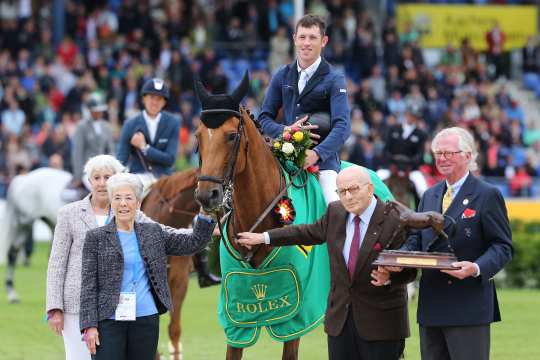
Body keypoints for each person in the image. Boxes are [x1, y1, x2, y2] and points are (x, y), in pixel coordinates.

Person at [237, 166, 416, 360]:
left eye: (353, 189)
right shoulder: (336, 212)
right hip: (340, 324)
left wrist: (390, 277)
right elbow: (305, 232)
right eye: (342, 191)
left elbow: (410, 270)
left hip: (382, 326)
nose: (347, 197)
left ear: (370, 188)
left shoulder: (395, 219)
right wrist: (264, 237)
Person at [45, 155, 194, 360]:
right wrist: (54, 308)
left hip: (114, 308)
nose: (101, 183)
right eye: (96, 177)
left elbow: (164, 233)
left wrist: (200, 231)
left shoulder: (129, 211)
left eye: (107, 177)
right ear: (89, 181)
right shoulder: (68, 214)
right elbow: (57, 264)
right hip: (77, 306)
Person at [394, 127, 513, 360]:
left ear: (468, 156)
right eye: (438, 153)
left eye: (449, 153)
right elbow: (417, 238)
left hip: (468, 305)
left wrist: (476, 268)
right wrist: (399, 258)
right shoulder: (429, 195)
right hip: (432, 305)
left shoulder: (487, 194)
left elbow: (502, 246)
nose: (442, 158)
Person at [79, 173, 215, 359]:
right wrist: (89, 326)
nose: (123, 203)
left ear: (138, 204)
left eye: (129, 198)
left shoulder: (153, 232)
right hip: (107, 322)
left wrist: (206, 212)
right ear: (111, 203)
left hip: (146, 319)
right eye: (117, 198)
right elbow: (88, 286)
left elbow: (193, 242)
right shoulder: (96, 238)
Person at [258, 14, 351, 205]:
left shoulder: (335, 79)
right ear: (294, 39)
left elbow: (343, 126)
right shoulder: (281, 75)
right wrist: (285, 130)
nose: (306, 43)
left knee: (333, 205)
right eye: (302, 37)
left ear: (324, 41)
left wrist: (316, 154)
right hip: (284, 156)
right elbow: (264, 118)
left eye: (312, 37)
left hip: (322, 162)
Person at [116, 77, 180, 181]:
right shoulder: (129, 124)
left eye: (159, 99)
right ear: (144, 99)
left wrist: (144, 147)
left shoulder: (173, 122)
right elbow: (121, 160)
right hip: (138, 178)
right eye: (151, 97)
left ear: (164, 102)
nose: (155, 102)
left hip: (163, 179)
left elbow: (170, 159)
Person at [71, 94, 115, 189]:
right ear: (90, 111)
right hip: (87, 171)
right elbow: (77, 153)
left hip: (105, 169)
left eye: (100, 110)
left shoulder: (106, 126)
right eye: (96, 111)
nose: (99, 113)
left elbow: (111, 150)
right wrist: (78, 175)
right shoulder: (81, 126)